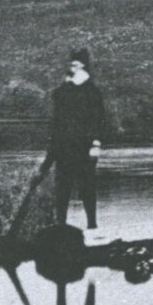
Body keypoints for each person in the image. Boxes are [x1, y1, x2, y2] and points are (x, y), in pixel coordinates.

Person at [49, 48, 109, 231]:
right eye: (71, 65)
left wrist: (96, 143)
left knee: (87, 187)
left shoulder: (92, 92)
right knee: (63, 188)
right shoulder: (64, 91)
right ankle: (60, 225)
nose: (71, 68)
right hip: (64, 145)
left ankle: (92, 224)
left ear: (84, 67)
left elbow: (99, 119)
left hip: (84, 145)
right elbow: (57, 116)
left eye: (75, 65)